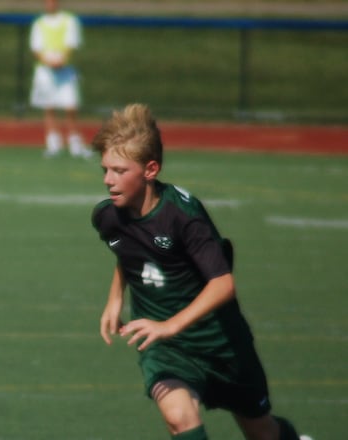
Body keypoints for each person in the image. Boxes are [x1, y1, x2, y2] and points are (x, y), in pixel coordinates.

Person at [90, 103, 309, 440]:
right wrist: (114, 298)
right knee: (179, 417)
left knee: (262, 431)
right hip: (166, 349)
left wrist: (169, 325)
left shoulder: (183, 215)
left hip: (220, 342)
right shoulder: (107, 217)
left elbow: (222, 284)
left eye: (119, 170)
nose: (108, 180)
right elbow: (130, 253)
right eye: (105, 169)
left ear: (150, 169)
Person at [29, 0, 92, 159]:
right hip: (46, 70)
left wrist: (61, 60)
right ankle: (53, 144)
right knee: (49, 106)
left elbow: (72, 44)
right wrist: (48, 61)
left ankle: (75, 144)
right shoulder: (39, 23)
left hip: (65, 70)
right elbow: (36, 48)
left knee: (71, 106)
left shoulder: (69, 20)